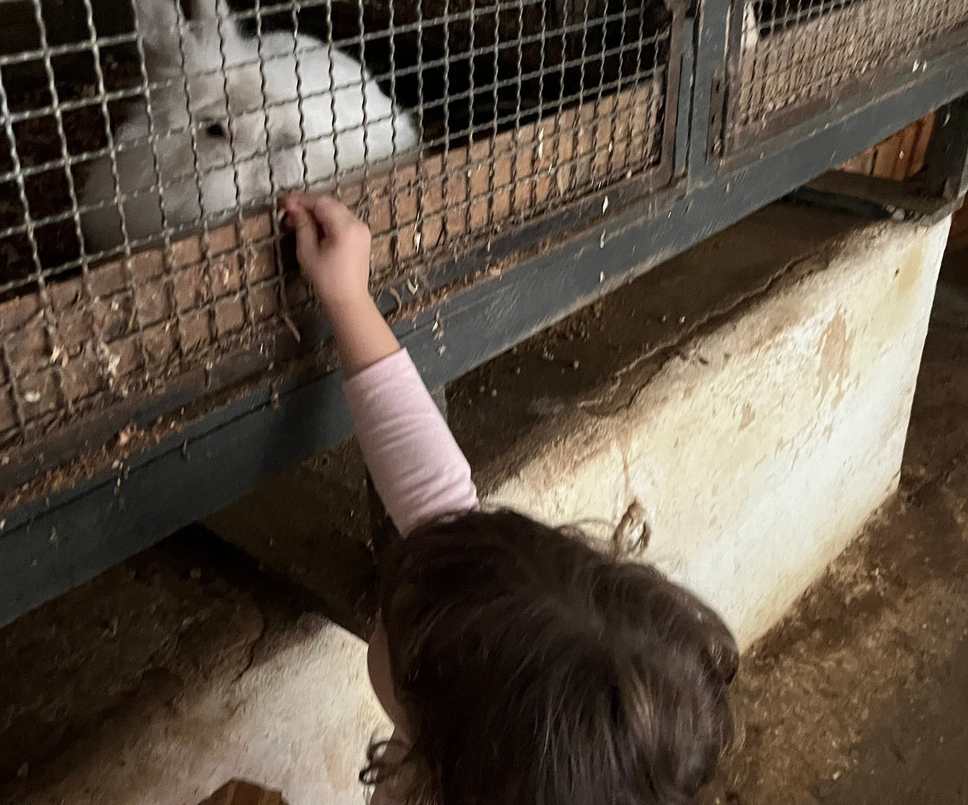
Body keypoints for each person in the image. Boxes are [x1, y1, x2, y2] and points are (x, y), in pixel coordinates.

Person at [284, 193, 739, 805]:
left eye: (401, 615)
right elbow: (434, 496)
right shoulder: (497, 734)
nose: (402, 583)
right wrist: (348, 299)